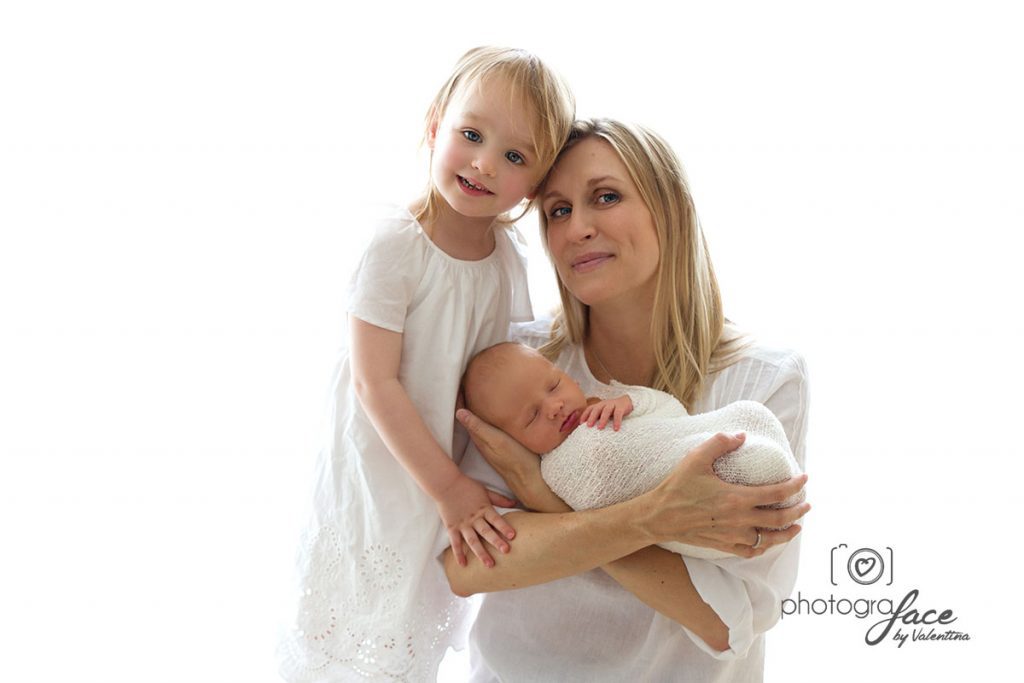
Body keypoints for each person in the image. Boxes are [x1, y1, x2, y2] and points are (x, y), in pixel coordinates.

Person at [442, 118, 811, 682]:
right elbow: (467, 565)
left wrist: (542, 497)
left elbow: (729, 621)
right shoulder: (518, 365)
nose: (578, 229)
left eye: (606, 197)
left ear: (670, 210)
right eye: (558, 211)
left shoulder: (763, 381)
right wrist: (656, 519)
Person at [277, 47, 574, 682]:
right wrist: (448, 488)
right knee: (348, 629)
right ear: (436, 124)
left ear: (535, 184)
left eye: (515, 157)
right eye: (472, 135)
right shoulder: (396, 245)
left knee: (410, 638)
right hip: (387, 469)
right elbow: (372, 381)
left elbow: (500, 365)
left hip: (446, 484)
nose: (485, 163)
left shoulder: (505, 258)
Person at [461, 341, 804, 560]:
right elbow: (594, 508)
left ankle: (749, 466)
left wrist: (631, 402)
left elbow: (673, 415)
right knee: (738, 465)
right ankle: (745, 474)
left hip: (685, 445)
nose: (554, 407)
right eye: (532, 416)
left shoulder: (609, 403)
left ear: (571, 378)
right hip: (684, 505)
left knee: (748, 415)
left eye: (554, 386)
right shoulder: (553, 471)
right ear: (513, 442)